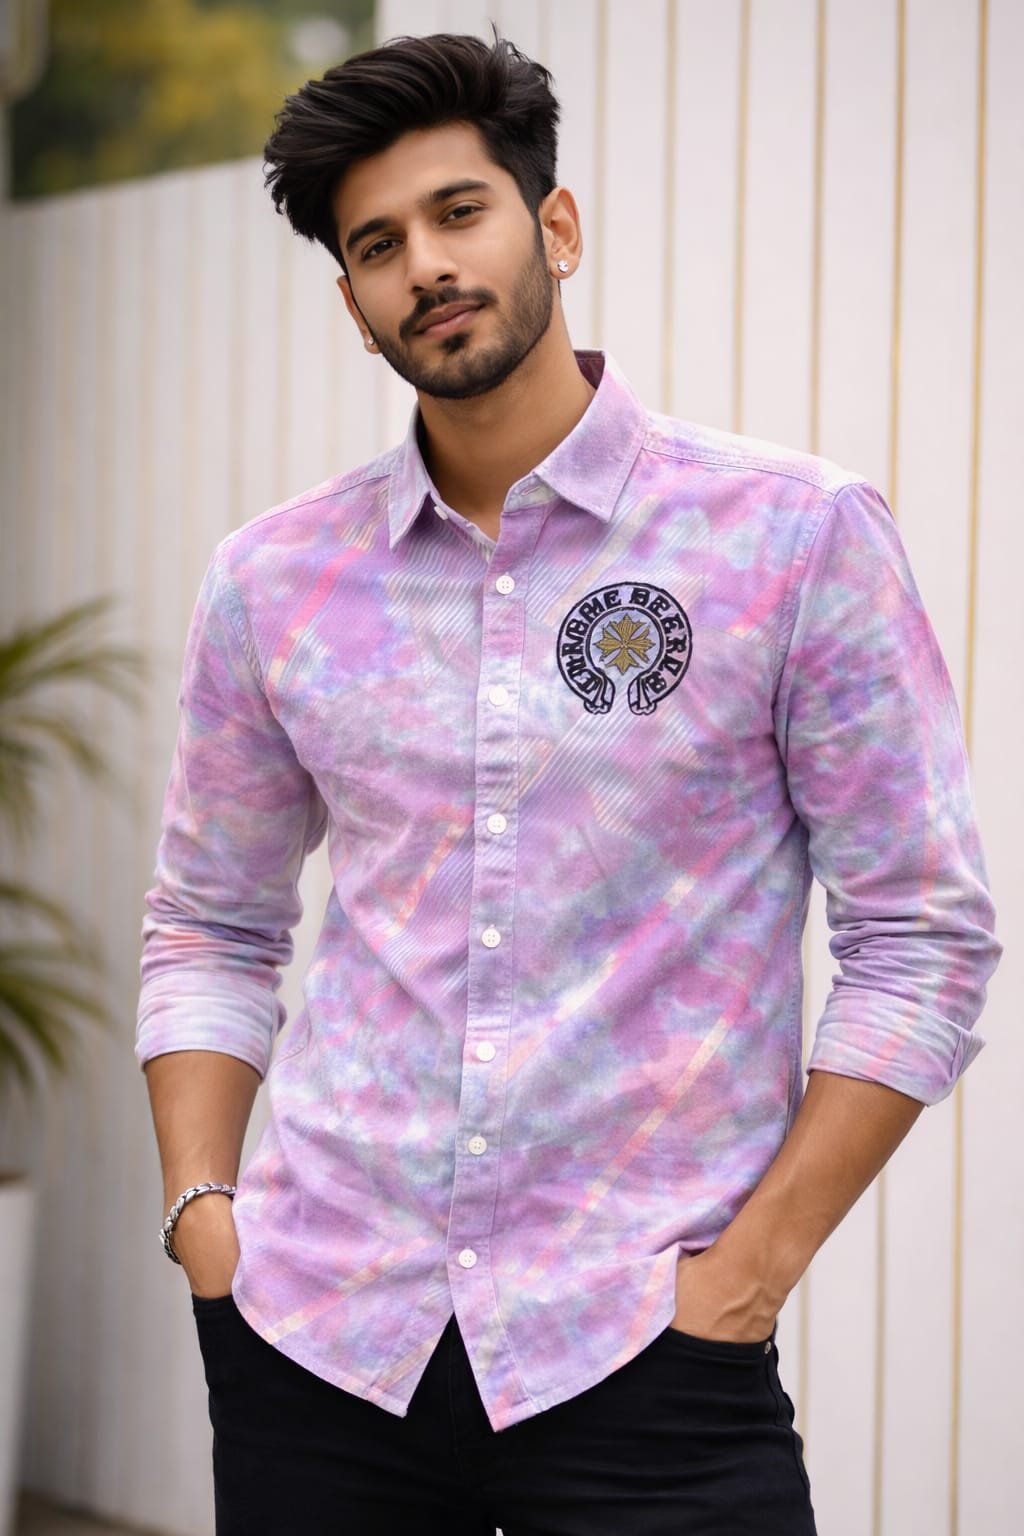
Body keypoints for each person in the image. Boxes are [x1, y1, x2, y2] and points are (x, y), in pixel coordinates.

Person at [136, 30, 1000, 1536]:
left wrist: (753, 1272)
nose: (426, 264)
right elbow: (211, 924)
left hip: (646, 1350)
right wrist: (205, 1214)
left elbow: (922, 936)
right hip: (317, 1340)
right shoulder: (274, 582)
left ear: (557, 227)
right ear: (354, 307)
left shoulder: (791, 538)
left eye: (459, 212)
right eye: (378, 245)